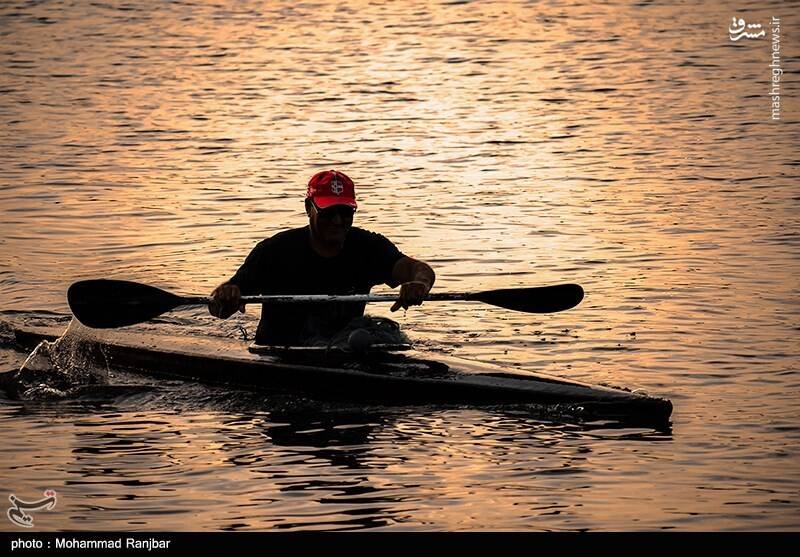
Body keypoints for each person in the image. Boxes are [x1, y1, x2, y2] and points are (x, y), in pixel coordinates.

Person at [208, 170, 435, 346]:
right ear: (309, 208)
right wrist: (225, 296)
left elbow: (418, 269)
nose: (338, 221)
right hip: (280, 353)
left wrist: (419, 285)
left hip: (344, 347)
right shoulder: (274, 251)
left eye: (345, 212)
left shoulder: (368, 246)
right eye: (328, 213)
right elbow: (219, 309)